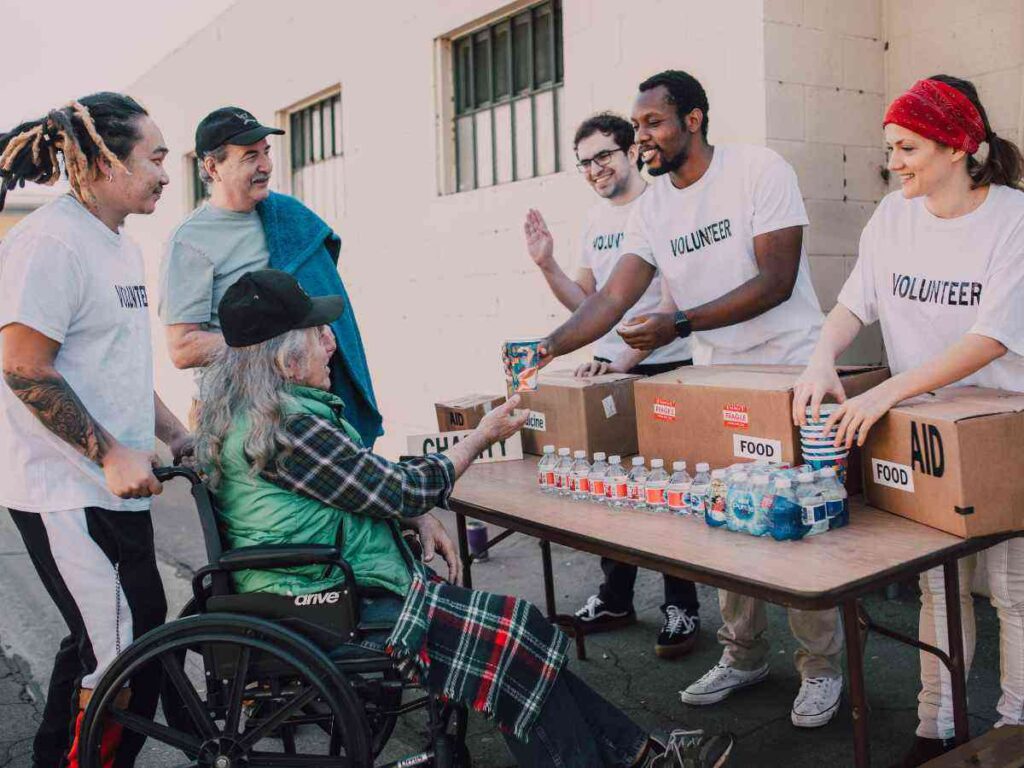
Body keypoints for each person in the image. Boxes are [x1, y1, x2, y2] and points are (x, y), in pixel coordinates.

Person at [194, 268, 736, 768]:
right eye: (318, 335)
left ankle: (640, 756)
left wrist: (413, 515)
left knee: (520, 635)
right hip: (327, 604)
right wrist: (477, 439)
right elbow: (397, 488)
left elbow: (360, 489)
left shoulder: (256, 414)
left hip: (320, 587)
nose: (332, 342)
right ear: (286, 360)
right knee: (513, 643)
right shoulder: (288, 428)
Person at [511, 70, 844, 728]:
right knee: (727, 518)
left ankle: (823, 668)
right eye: (637, 128)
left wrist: (682, 324)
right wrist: (545, 346)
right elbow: (611, 300)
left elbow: (776, 280)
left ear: (693, 120)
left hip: (787, 366)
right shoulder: (653, 207)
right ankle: (742, 654)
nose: (642, 139)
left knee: (798, 527)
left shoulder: (758, 170)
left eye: (653, 124)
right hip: (716, 375)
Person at [792, 75, 1024, 768]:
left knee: (1012, 589)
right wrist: (820, 358)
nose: (895, 160)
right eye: (890, 146)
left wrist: (886, 392)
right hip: (925, 425)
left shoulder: (1013, 219)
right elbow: (855, 303)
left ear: (959, 147)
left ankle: (1014, 728)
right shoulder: (893, 216)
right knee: (938, 582)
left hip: (1004, 423)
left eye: (909, 146)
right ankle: (938, 725)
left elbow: (991, 338)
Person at [0, 93, 192, 768]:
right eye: (155, 157)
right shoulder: (49, 244)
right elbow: (24, 368)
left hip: (114, 488)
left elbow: (116, 366)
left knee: (118, 639)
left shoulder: (116, 244)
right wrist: (110, 453)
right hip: (64, 491)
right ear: (100, 160)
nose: (167, 173)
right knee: (117, 652)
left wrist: (175, 433)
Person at [523, 112, 699, 657]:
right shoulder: (595, 222)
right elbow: (589, 305)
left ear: (630, 152)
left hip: (664, 368)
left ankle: (682, 606)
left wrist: (620, 358)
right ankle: (616, 597)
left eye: (603, 155)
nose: (595, 169)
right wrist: (547, 264)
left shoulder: (662, 209)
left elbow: (673, 303)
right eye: (584, 162)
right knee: (610, 490)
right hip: (611, 372)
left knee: (669, 494)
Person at [158, 106, 382, 447]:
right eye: (250, 156)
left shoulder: (288, 216)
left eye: (266, 152)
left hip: (308, 408)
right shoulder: (190, 241)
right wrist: (279, 342)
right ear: (212, 167)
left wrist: (315, 335)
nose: (265, 166)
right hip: (237, 416)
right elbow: (182, 349)